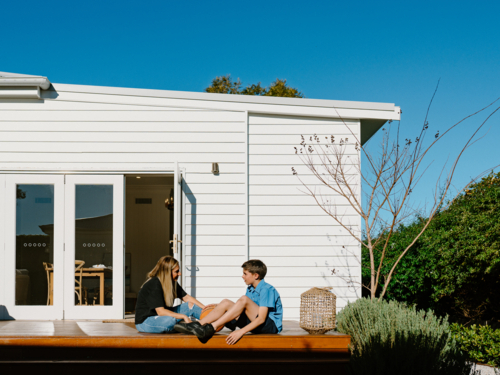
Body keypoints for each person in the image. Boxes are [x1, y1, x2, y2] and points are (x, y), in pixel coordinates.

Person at [174, 259, 283, 344]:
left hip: (268, 326)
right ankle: (198, 325)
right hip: (254, 323)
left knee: (243, 299)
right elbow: (241, 308)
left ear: (256, 275)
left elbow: (261, 319)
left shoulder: (266, 289)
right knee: (225, 302)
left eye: (245, 274)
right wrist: (219, 306)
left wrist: (241, 332)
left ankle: (212, 327)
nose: (242, 276)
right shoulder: (250, 289)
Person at [135, 255, 211, 333]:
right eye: (176, 271)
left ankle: (213, 321)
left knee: (190, 305)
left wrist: (206, 308)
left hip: (163, 315)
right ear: (167, 272)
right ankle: (186, 327)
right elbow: (160, 312)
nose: (180, 274)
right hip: (146, 322)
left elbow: (186, 298)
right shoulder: (154, 284)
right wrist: (183, 316)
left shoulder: (171, 282)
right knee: (170, 321)